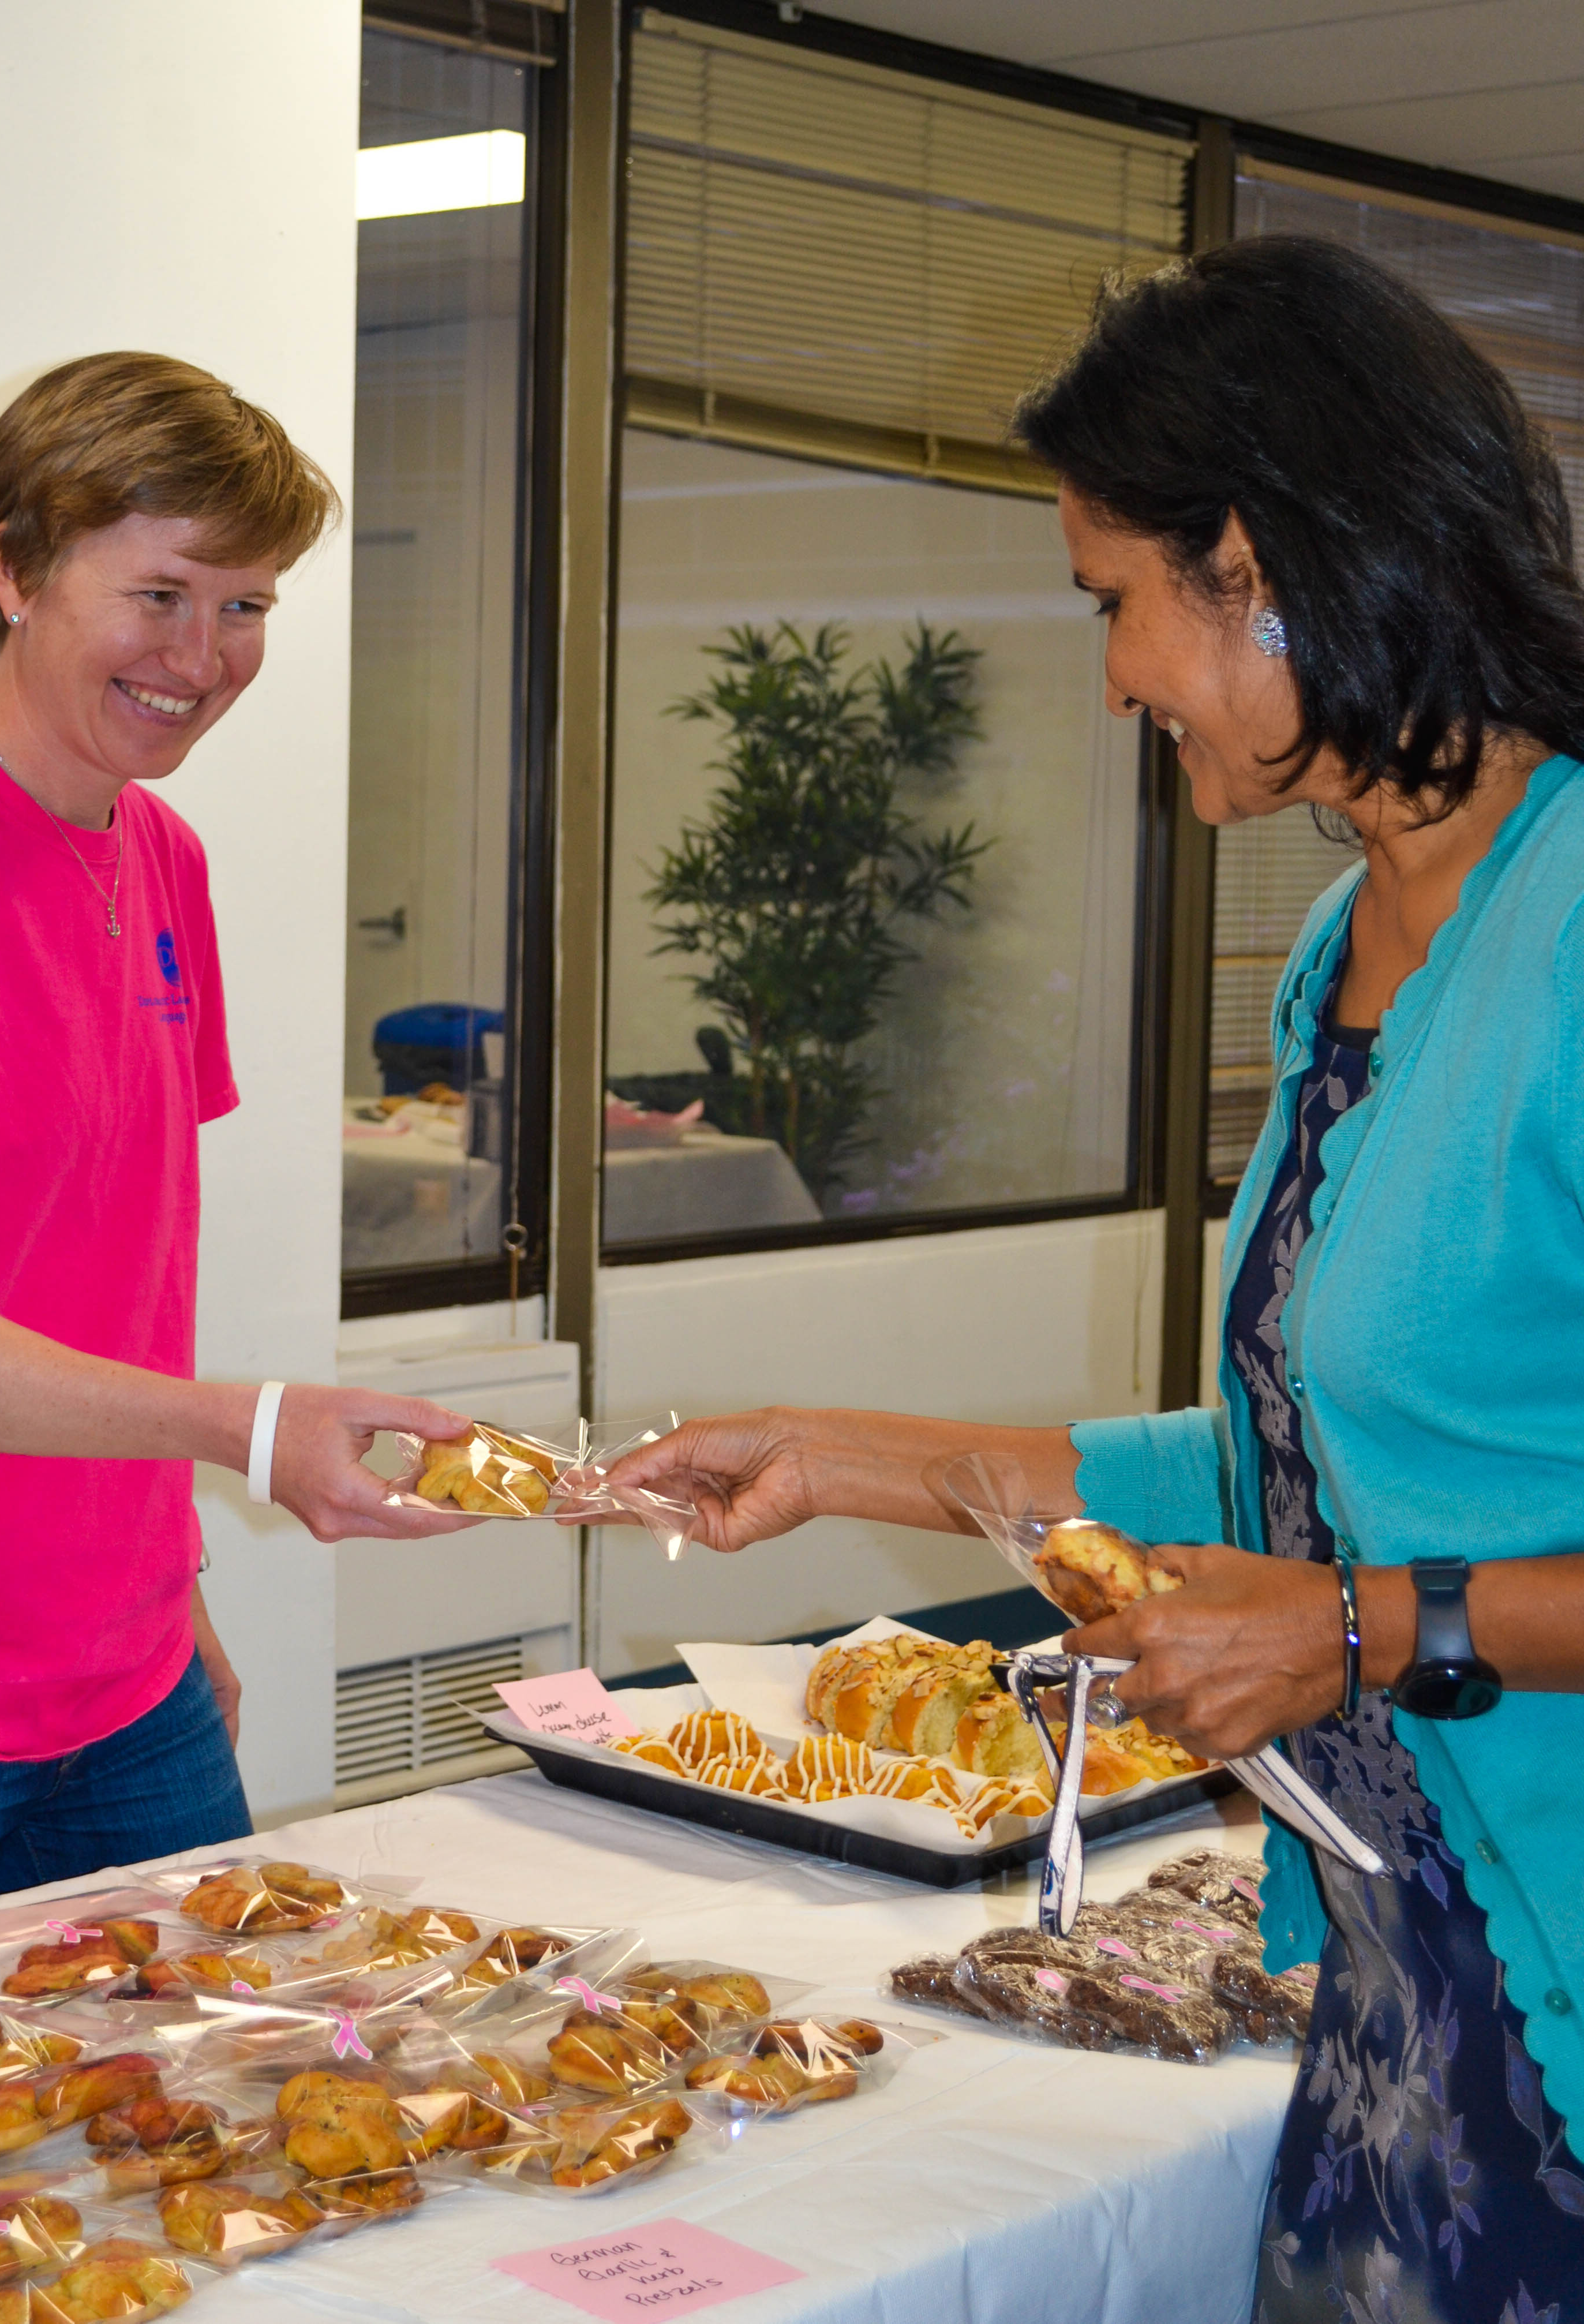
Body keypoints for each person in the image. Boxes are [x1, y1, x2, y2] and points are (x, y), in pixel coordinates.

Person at [608, 239, 1584, 2321]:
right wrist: (845, 1458)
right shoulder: (1359, 942)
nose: (1115, 673)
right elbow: (1274, 1459)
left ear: (1260, 564)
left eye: (1110, 601)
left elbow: (1337, 1577)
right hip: (1401, 1978)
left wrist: (1351, 1628)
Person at [0, 351, 475, 1924]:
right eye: (163, 593)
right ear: (17, 566)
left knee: (202, 2117)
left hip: (129, 1681)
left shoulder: (161, 857)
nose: (206, 655)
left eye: (247, 606)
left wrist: (175, 1592)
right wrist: (242, 1430)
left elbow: (108, 1278)